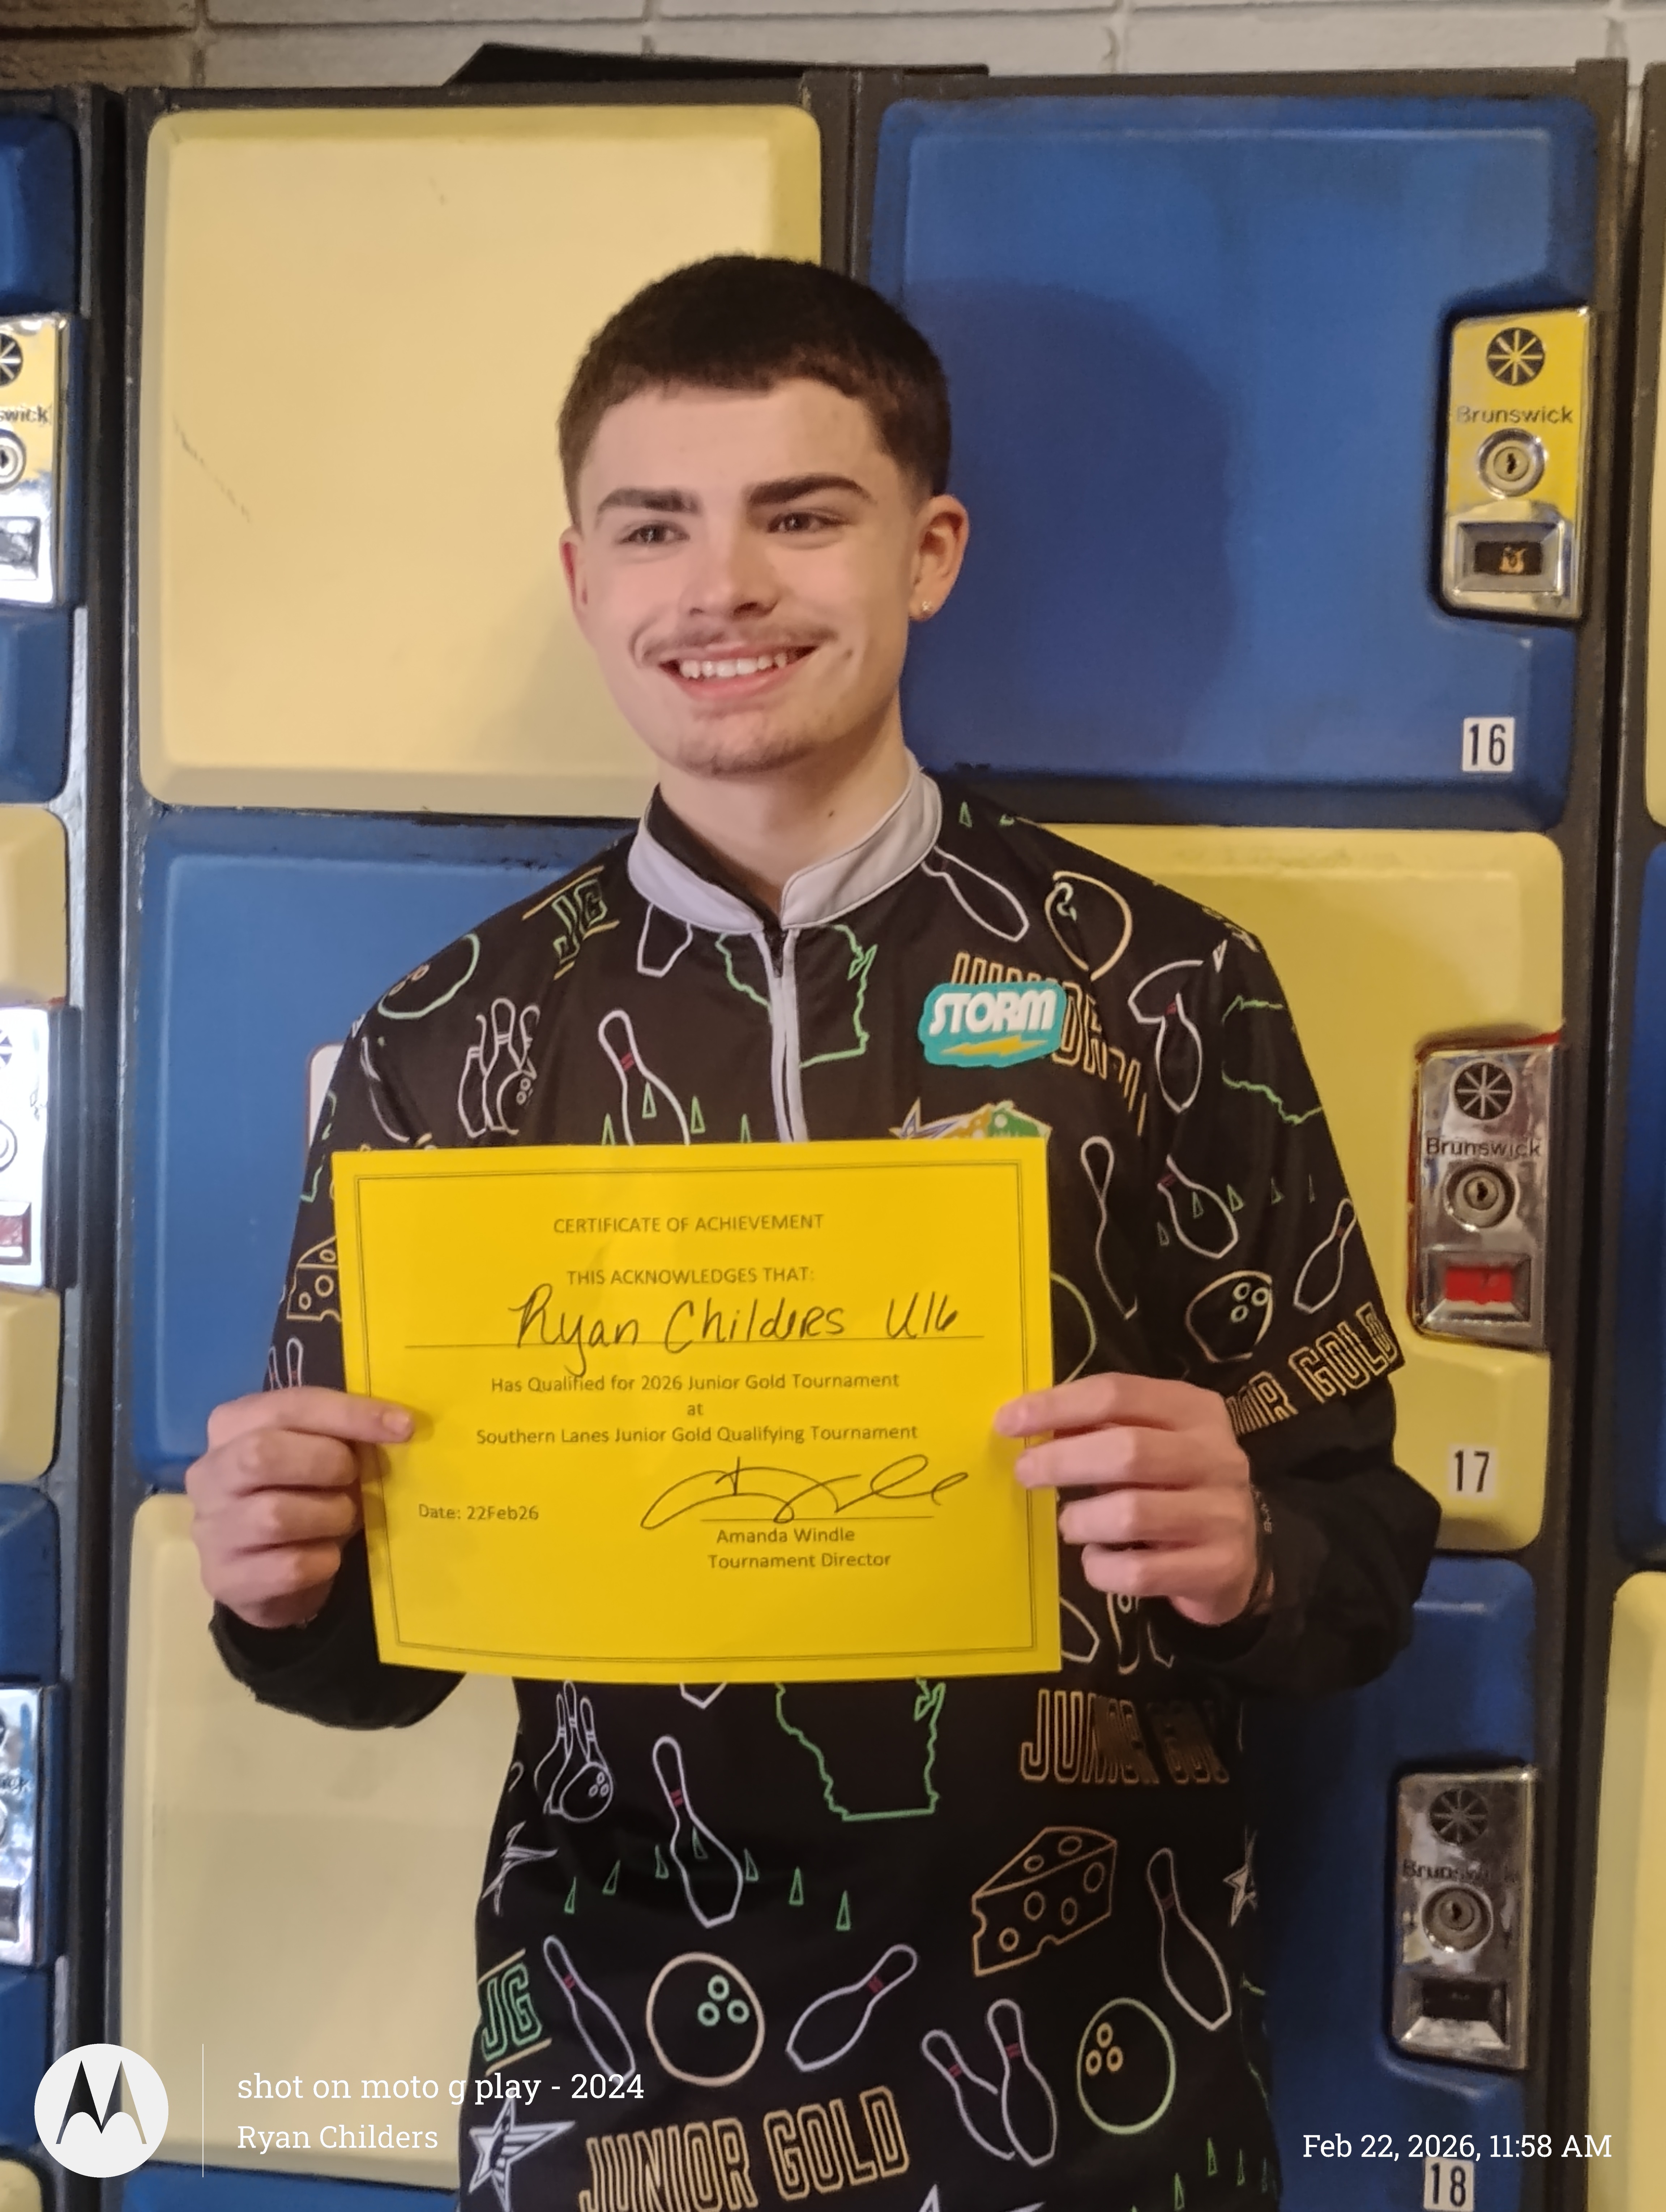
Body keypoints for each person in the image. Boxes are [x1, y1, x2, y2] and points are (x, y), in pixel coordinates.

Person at [186, 255, 1440, 2211]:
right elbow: (376, 1661)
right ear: (584, 578)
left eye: (801, 515)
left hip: (1095, 2081)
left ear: (929, 552)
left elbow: (1365, 1553)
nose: (723, 587)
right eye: (654, 526)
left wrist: (1257, 1549)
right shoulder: (446, 1040)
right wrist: (279, 1593)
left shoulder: (1167, 986)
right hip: (617, 2082)